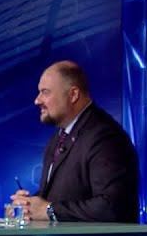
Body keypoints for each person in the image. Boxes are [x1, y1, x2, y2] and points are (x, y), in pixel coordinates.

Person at [10, 61, 139, 223]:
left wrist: (49, 210)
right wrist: (28, 206)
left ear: (73, 95)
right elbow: (61, 198)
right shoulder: (59, 137)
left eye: (45, 92)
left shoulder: (105, 136)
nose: (37, 100)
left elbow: (111, 206)